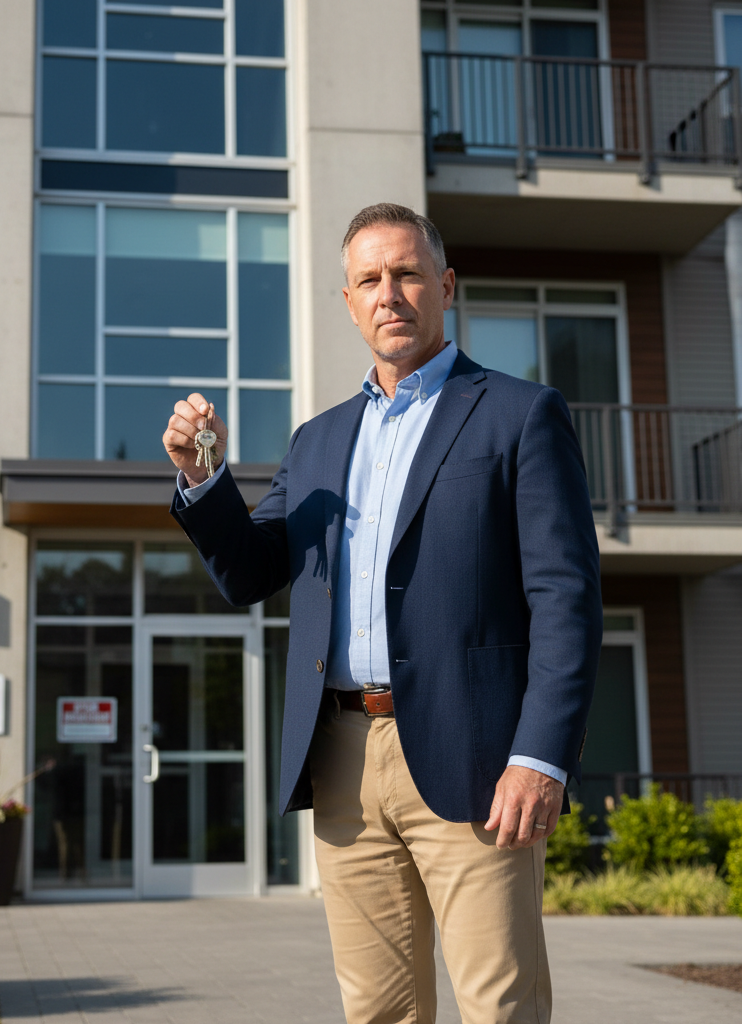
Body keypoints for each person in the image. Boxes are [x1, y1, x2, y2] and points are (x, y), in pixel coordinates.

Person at [163, 203, 602, 1024]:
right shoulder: (316, 441)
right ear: (349, 301)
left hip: (478, 760)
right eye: (369, 279)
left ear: (445, 285)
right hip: (342, 765)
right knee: (377, 1013)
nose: (389, 293)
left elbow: (566, 601)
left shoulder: (518, 413)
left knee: (499, 1007)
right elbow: (253, 572)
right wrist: (202, 482)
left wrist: (541, 757)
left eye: (405, 274)